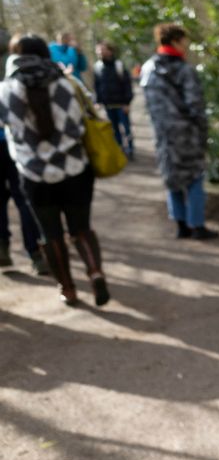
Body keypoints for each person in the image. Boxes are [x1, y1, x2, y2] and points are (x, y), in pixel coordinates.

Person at [0, 34, 109, 306]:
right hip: (75, 169)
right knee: (81, 228)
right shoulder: (68, 82)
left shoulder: (6, 89)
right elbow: (93, 111)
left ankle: (68, 288)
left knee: (51, 234)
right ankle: (95, 271)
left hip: (34, 176)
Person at [140, 23, 218, 240]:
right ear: (175, 41)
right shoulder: (185, 70)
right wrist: (202, 134)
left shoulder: (148, 69)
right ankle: (197, 226)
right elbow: (196, 106)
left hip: (163, 135)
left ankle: (181, 224)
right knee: (194, 177)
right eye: (184, 40)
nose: (187, 45)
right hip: (187, 134)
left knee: (171, 177)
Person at [0, 125, 47, 275]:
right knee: (24, 201)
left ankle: (2, 247)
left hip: (14, 142)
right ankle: (35, 254)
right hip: (15, 142)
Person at [93, 41, 134, 160]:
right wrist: (98, 101)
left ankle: (130, 149)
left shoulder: (119, 65)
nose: (100, 52)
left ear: (110, 51)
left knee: (126, 128)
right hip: (108, 105)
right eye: (99, 50)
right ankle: (119, 149)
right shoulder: (98, 67)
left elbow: (127, 85)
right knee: (114, 129)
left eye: (103, 49)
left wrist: (127, 102)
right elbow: (97, 86)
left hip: (121, 104)